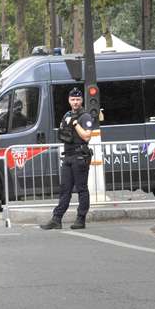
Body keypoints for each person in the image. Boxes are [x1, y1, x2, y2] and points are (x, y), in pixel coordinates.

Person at [41, 87, 95, 230]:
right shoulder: (67, 115)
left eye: (78, 99)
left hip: (80, 156)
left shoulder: (85, 117)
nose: (75, 102)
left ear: (82, 100)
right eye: (73, 99)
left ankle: (80, 219)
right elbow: (63, 133)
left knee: (82, 189)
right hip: (68, 156)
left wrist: (75, 123)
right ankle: (56, 219)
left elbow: (86, 136)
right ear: (69, 100)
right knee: (65, 189)